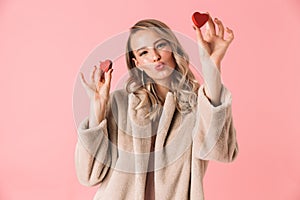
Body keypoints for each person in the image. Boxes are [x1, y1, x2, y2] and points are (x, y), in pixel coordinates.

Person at [75, 13, 238, 200]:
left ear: (174, 49)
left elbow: (221, 151)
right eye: (143, 52)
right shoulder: (119, 103)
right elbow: (88, 175)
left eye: (160, 45)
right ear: (137, 64)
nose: (155, 56)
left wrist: (212, 67)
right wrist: (98, 110)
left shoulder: (196, 105)